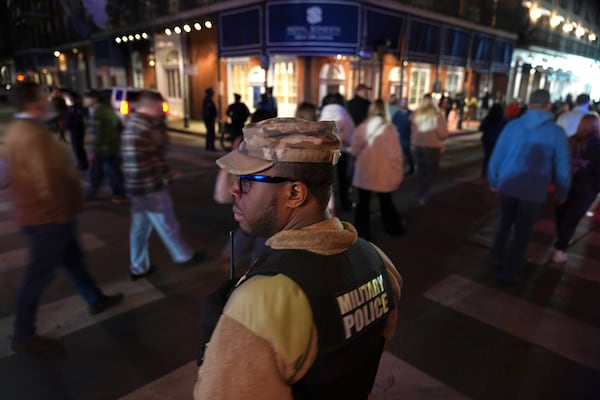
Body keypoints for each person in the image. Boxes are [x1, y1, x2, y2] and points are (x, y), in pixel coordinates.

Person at [194, 117, 403, 399]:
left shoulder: (261, 301)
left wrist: (216, 345)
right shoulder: (377, 261)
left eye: (247, 181)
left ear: (294, 193)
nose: (234, 189)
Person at [3, 82, 123, 353]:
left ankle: (95, 298)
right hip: (48, 218)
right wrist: (59, 213)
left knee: (74, 261)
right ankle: (24, 333)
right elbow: (47, 180)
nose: (47, 100)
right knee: (37, 276)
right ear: (33, 103)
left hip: (43, 216)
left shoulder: (16, 130)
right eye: (42, 96)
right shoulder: (34, 135)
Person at [487, 89, 571, 284]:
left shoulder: (512, 126)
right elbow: (562, 166)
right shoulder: (556, 133)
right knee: (522, 232)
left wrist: (493, 180)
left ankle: (496, 256)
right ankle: (509, 272)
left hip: (508, 185)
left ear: (530, 104)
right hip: (533, 190)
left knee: (504, 221)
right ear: (549, 106)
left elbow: (497, 155)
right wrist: (562, 191)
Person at [121, 90, 204, 280]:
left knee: (140, 229)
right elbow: (151, 161)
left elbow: (146, 159)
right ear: (151, 106)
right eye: (159, 107)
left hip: (137, 187)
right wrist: (166, 176)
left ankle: (138, 266)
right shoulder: (146, 127)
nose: (162, 111)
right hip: (150, 187)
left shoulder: (134, 124)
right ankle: (184, 256)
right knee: (167, 222)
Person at [351, 99, 405, 240]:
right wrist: (398, 171)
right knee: (385, 201)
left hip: (364, 171)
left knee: (363, 203)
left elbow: (355, 150)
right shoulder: (389, 129)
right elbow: (395, 155)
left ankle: (362, 233)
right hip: (383, 172)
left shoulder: (362, 127)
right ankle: (393, 228)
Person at [552, 113, 600, 264]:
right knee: (572, 218)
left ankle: (561, 241)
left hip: (566, 183)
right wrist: (595, 188)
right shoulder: (597, 145)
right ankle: (560, 248)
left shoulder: (570, 141)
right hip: (585, 188)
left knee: (562, 213)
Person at [83, 90, 128, 203]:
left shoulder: (98, 112)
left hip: (103, 149)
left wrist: (94, 151)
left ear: (94, 99)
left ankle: (92, 194)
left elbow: (97, 134)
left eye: (87, 97)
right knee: (112, 171)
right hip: (111, 147)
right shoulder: (108, 110)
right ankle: (119, 194)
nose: (85, 100)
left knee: (99, 172)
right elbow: (120, 125)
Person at [319, 93, 355, 211]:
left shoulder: (322, 114)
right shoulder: (344, 115)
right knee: (342, 179)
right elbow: (350, 135)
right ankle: (345, 203)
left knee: (328, 180)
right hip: (341, 151)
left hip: (325, 151)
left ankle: (328, 206)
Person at [411, 93, 448, 205]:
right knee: (432, 171)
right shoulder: (437, 114)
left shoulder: (415, 114)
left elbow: (412, 131)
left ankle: (419, 192)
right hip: (432, 146)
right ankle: (422, 193)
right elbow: (443, 133)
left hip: (418, 145)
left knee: (421, 170)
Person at [479, 103, 507, 179]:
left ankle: (484, 172)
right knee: (494, 157)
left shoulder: (488, 118)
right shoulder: (503, 120)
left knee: (487, 156)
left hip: (487, 140)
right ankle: (492, 173)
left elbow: (481, 128)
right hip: (496, 140)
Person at [64, 91, 88, 171]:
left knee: (78, 148)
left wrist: (71, 125)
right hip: (73, 130)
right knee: (76, 148)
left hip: (77, 130)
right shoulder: (71, 107)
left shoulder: (78, 108)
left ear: (75, 98)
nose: (70, 99)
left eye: (71, 98)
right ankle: (82, 164)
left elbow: (78, 119)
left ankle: (83, 165)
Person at [392, 97, 415, 175]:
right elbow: (393, 125)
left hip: (407, 136)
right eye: (402, 102)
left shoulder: (411, 114)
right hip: (398, 136)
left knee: (407, 152)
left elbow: (414, 125)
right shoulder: (397, 114)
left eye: (405, 102)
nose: (404, 104)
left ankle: (411, 167)